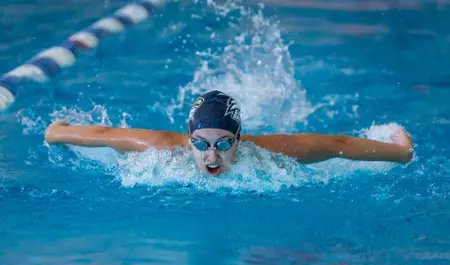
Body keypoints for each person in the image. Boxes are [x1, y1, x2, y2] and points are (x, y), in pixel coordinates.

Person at [45, 90, 414, 176]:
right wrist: (57, 132)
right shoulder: (161, 148)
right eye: (201, 144)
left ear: (239, 139)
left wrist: (401, 153)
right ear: (188, 138)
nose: (211, 157)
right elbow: (106, 133)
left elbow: (338, 145)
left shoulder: (272, 152)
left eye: (223, 144)